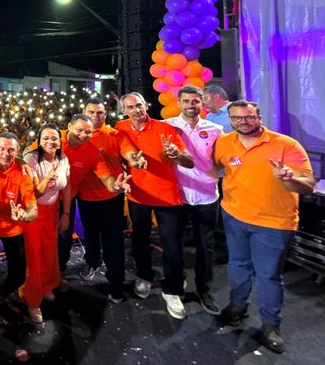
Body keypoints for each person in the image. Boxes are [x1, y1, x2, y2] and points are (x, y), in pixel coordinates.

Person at [214, 100, 314, 353]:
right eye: (236, 118)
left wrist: (290, 178)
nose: (242, 122)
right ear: (230, 119)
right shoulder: (224, 142)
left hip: (273, 222)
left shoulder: (285, 144)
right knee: (237, 265)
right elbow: (216, 167)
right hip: (234, 216)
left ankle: (271, 325)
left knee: (268, 275)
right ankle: (237, 307)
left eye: (248, 118)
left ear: (259, 118)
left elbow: (308, 184)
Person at [115, 92, 194, 319]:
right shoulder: (120, 128)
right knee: (139, 240)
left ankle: (173, 289)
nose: (136, 110)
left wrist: (176, 155)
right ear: (124, 111)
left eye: (139, 105)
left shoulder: (165, 129)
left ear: (146, 105)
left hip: (167, 197)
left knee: (171, 244)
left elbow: (189, 162)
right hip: (138, 196)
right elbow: (118, 153)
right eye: (130, 107)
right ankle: (145, 276)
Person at [163, 86, 224, 316]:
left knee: (205, 247)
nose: (191, 105)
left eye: (195, 101)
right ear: (178, 103)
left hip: (207, 196)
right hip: (176, 196)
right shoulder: (166, 126)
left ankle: (203, 289)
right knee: (172, 245)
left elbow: (222, 158)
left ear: (202, 103)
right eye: (186, 101)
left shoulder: (216, 129)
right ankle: (174, 288)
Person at [74, 102, 139, 303]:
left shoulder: (115, 135)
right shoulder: (76, 137)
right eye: (91, 112)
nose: (96, 115)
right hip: (85, 197)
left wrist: (135, 159)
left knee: (113, 242)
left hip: (112, 197)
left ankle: (116, 283)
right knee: (90, 234)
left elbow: (129, 152)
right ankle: (92, 261)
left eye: (100, 112)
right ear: (83, 114)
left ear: (106, 114)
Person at [0, 132, 37, 320]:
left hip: (13, 227)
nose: (5, 154)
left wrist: (25, 215)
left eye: (11, 150)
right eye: (2, 149)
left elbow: (32, 207)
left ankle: (4, 292)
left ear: (17, 151)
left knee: (19, 274)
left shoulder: (22, 172)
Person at [21, 124, 71, 323]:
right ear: (39, 141)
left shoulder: (64, 158)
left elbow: (67, 187)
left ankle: (46, 287)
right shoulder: (31, 160)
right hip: (33, 212)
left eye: (55, 138)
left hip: (52, 212)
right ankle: (32, 299)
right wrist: (47, 179)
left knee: (50, 251)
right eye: (46, 138)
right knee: (34, 255)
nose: (51, 142)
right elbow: (33, 193)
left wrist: (65, 213)